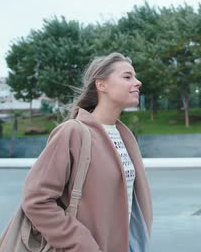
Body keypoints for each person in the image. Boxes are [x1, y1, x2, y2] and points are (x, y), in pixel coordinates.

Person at [22, 52, 153, 252]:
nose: (138, 82)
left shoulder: (125, 137)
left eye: (134, 77)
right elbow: (37, 200)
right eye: (127, 77)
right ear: (102, 85)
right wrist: (83, 245)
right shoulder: (72, 132)